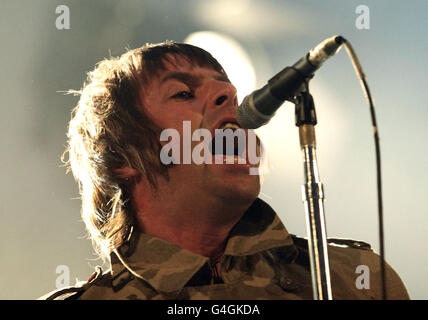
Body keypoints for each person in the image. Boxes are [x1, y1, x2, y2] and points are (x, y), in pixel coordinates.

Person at [40, 41, 409, 300]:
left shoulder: (357, 280)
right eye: (183, 93)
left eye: (228, 92)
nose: (227, 94)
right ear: (123, 159)